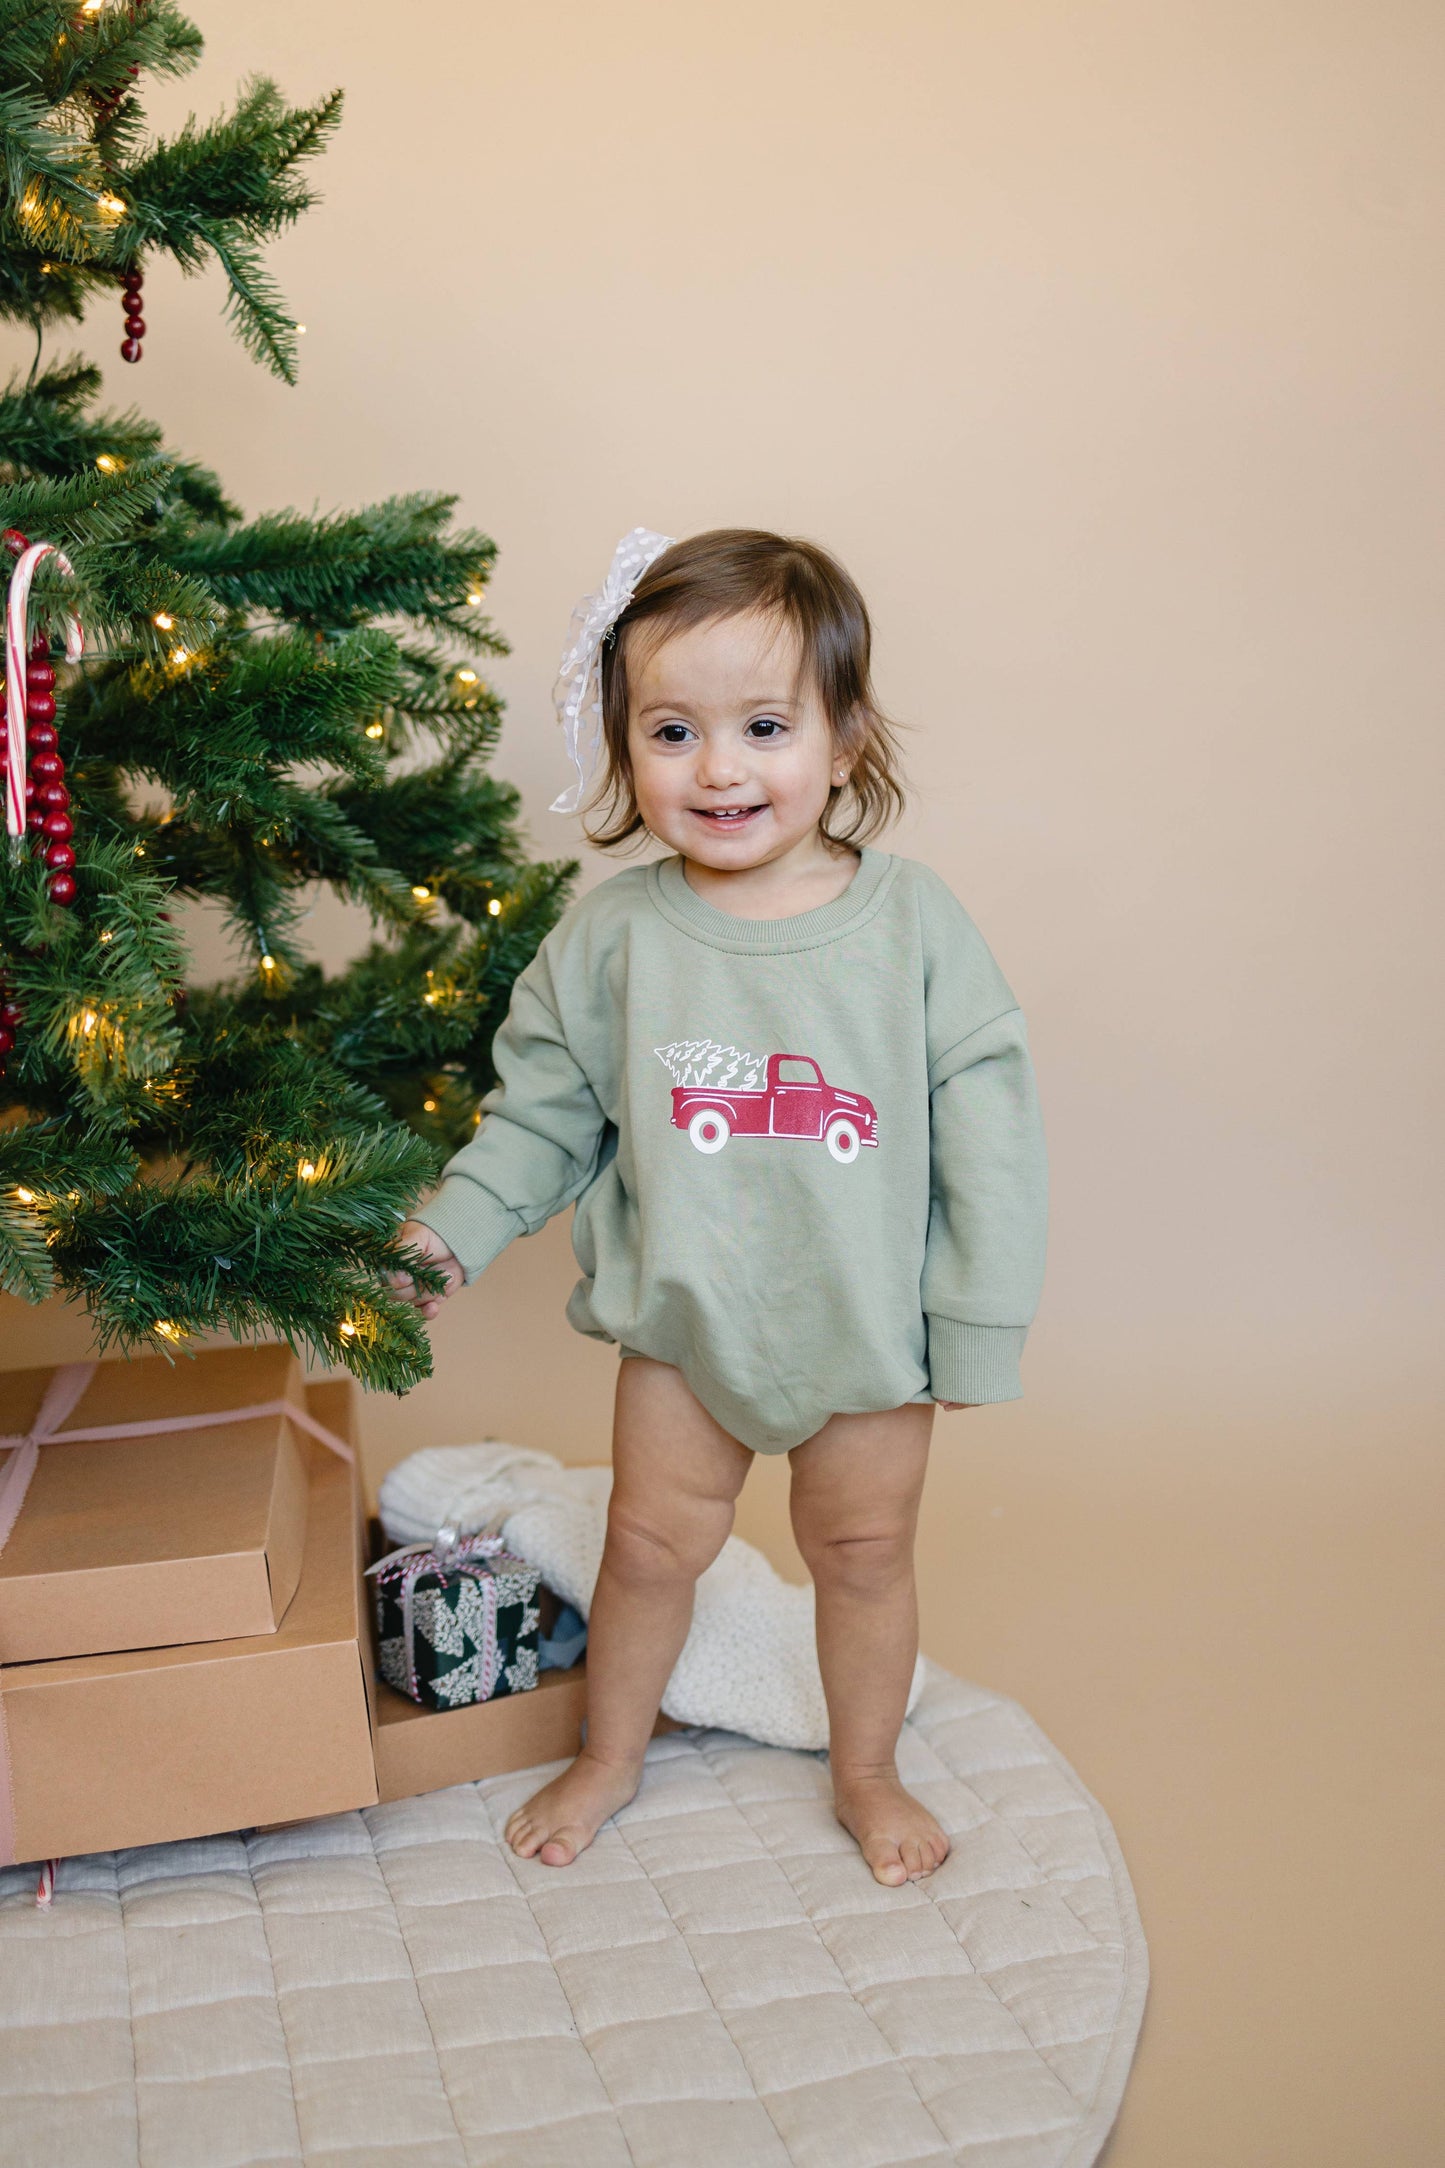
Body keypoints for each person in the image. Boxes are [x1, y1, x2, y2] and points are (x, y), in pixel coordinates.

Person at [391, 527, 1048, 1886]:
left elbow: (991, 1140)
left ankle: (865, 1770)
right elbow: (542, 1114)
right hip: (686, 1329)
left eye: (762, 725)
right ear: (626, 749)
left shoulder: (914, 927)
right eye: (672, 731)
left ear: (844, 738)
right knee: (645, 1547)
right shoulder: (614, 939)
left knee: (862, 1556)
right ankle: (608, 1755)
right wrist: (455, 1225)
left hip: (867, 1339)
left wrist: (972, 1326)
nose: (719, 768)